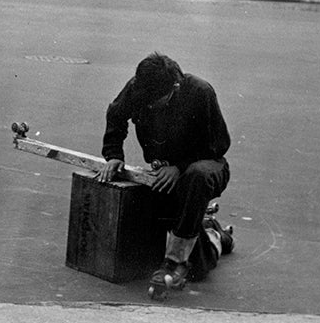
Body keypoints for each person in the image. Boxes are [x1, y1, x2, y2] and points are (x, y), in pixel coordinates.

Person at [95, 53, 233, 293]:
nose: (149, 107)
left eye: (156, 102)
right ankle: (208, 228)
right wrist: (114, 154)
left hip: (207, 165)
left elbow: (218, 145)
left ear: (175, 87)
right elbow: (116, 115)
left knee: (196, 176)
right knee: (198, 264)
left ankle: (185, 255)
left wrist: (179, 166)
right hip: (164, 169)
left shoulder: (200, 91)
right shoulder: (139, 87)